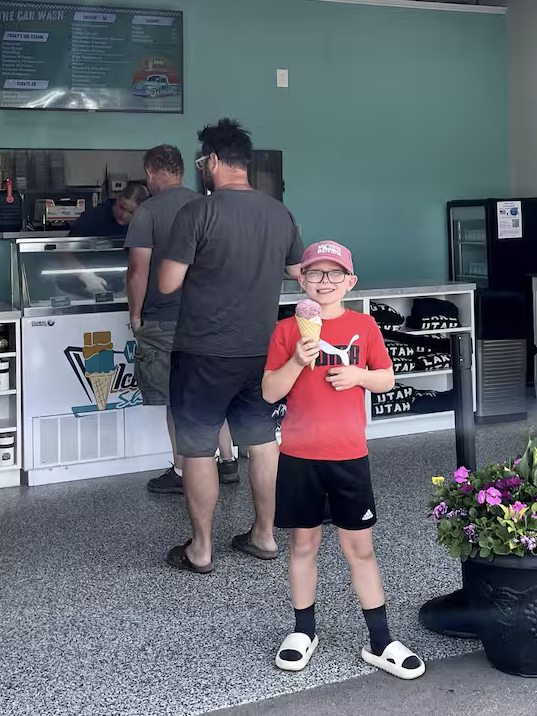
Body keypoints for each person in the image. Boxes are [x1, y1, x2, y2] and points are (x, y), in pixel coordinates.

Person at [262, 240, 426, 680]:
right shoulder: (285, 330)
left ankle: (380, 639)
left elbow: (387, 379)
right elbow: (270, 391)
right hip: (299, 455)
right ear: (301, 279)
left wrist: (359, 376)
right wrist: (297, 359)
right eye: (315, 273)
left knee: (361, 549)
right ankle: (304, 631)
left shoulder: (365, 325)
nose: (325, 281)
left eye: (335, 274)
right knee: (303, 545)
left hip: (349, 454)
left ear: (350, 282)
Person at [158, 118, 304, 574]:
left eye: (203, 160)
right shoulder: (279, 212)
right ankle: (264, 536)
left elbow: (166, 283)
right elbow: (297, 269)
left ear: (215, 161)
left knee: (199, 448)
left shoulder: (198, 213)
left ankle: (201, 549)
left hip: (203, 351)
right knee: (262, 442)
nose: (202, 167)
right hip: (261, 351)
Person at [125, 145, 237, 494]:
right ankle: (229, 461)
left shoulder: (147, 212)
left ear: (150, 172)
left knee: (177, 399)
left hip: (165, 319)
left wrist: (135, 315)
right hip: (210, 318)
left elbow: (137, 272)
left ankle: (180, 470)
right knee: (209, 393)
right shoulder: (208, 206)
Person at [68, 182, 149, 241]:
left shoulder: (145, 225)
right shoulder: (93, 218)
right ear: (117, 199)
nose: (124, 215)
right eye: (122, 208)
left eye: (131, 213)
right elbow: (65, 251)